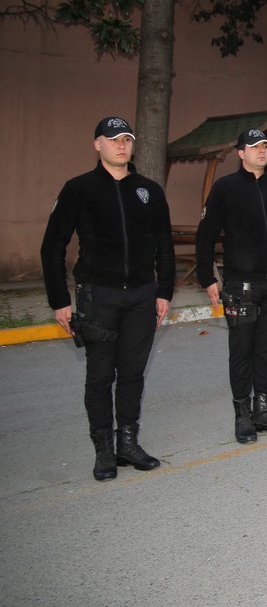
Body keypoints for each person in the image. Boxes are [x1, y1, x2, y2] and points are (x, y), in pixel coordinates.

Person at [40, 117, 174, 481]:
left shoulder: (148, 190)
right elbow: (53, 246)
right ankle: (103, 450)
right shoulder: (78, 189)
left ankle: (127, 443)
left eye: (127, 139)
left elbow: (164, 245)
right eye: (113, 139)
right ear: (97, 144)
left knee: (132, 373)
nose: (121, 145)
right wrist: (59, 300)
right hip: (98, 296)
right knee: (100, 375)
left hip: (143, 295)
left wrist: (164, 292)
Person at [195, 128, 267, 443]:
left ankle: (264, 410)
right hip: (241, 285)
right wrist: (206, 277)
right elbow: (206, 235)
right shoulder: (225, 189)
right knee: (242, 350)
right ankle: (243, 415)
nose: (261, 151)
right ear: (240, 153)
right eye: (254, 147)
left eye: (265, 146)